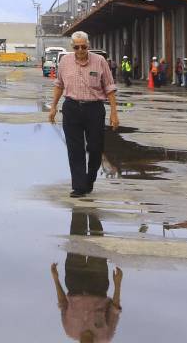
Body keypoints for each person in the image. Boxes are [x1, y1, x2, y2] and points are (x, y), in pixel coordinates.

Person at [49, 31, 120, 196]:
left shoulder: (100, 61)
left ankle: (90, 178)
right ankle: (79, 187)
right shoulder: (65, 61)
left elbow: (109, 88)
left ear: (88, 45)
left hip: (94, 109)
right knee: (75, 149)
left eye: (83, 46)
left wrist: (114, 112)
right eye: (77, 47)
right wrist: (53, 106)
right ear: (72, 47)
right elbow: (59, 84)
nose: (80, 50)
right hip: (71, 109)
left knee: (95, 148)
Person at [50, 209, 123, 341]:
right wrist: (117, 284)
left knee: (76, 240)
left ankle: (79, 207)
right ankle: (93, 211)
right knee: (98, 243)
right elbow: (114, 308)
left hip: (74, 282)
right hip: (98, 284)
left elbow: (63, 304)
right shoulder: (105, 336)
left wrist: (56, 279)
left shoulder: (69, 330)